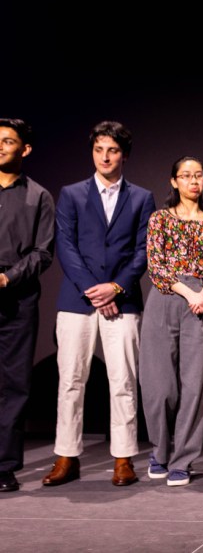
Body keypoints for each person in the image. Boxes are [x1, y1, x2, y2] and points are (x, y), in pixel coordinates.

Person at [45, 121, 155, 488]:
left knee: (123, 380)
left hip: (122, 302)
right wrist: (95, 289)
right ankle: (66, 456)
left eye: (112, 150)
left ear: (124, 154)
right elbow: (66, 246)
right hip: (77, 300)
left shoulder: (141, 197)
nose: (105, 157)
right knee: (71, 380)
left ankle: (123, 458)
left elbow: (143, 251)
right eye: (99, 150)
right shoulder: (72, 193)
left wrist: (116, 287)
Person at [140, 156, 203, 487]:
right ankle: (159, 452)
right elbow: (157, 265)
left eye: (199, 176)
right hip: (167, 297)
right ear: (174, 181)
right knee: (159, 386)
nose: (193, 181)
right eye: (186, 176)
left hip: (201, 301)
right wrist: (188, 293)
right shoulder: (160, 218)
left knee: (195, 386)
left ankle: (183, 460)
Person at [0, 118, 55, 493]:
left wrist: (8, 278)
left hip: (16, 298)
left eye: (7, 141)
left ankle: (4, 466)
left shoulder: (39, 195)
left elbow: (43, 251)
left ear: (25, 149)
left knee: (14, 386)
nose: (0, 146)